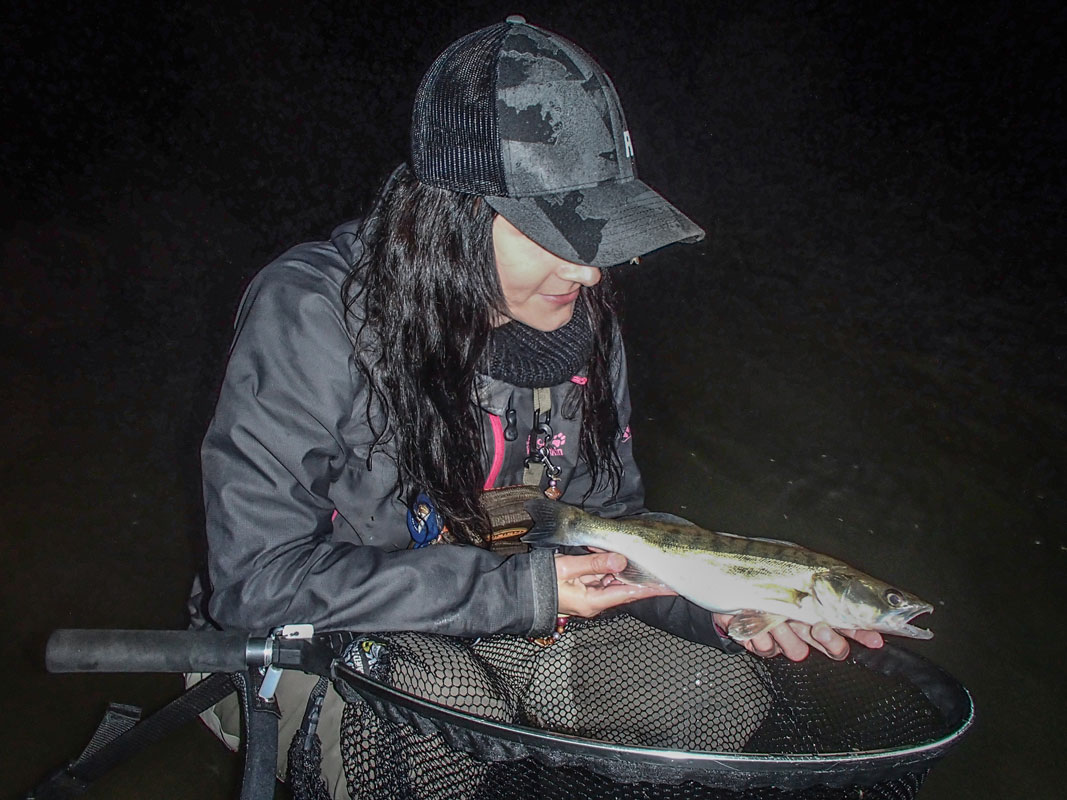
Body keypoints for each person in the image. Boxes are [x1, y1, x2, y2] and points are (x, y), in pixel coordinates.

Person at [186, 15, 883, 797]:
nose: (588, 272)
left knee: (714, 699)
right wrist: (520, 593)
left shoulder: (580, 323)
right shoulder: (312, 311)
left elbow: (609, 527)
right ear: (451, 215)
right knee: (446, 727)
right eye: (554, 231)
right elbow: (257, 579)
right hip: (326, 634)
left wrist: (732, 607)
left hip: (514, 610)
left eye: (598, 231)